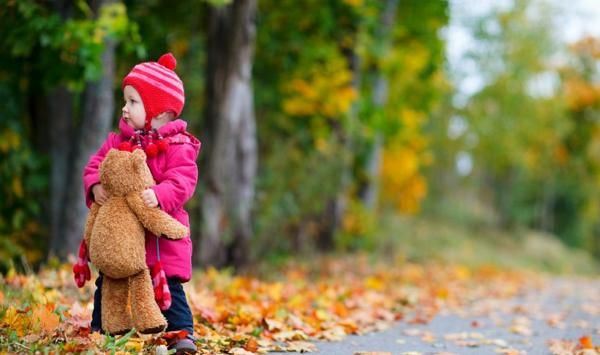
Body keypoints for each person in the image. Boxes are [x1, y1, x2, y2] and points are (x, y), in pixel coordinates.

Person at [82, 53, 200, 354]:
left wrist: (160, 195)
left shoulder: (178, 146)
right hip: (123, 239)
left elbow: (183, 180)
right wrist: (95, 186)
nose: (125, 108)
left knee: (168, 289)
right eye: (126, 100)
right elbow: (94, 166)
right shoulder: (118, 142)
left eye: (133, 102)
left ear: (159, 111)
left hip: (161, 242)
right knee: (108, 282)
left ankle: (181, 335)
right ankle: (102, 329)